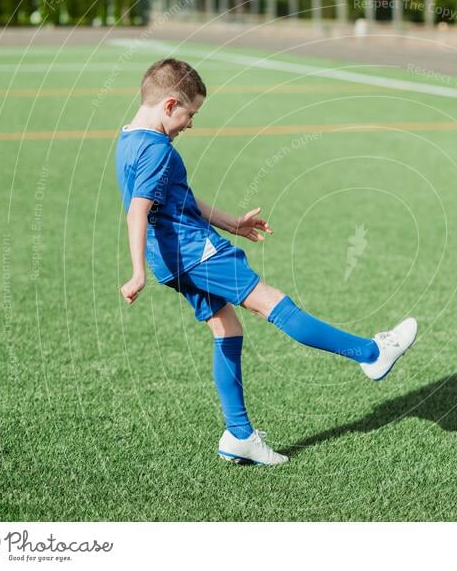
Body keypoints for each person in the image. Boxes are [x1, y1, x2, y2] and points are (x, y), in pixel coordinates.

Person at [115, 59, 417, 466]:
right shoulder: (157, 150)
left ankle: (238, 435)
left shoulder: (130, 139)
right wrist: (135, 273)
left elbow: (176, 197)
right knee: (271, 302)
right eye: (190, 114)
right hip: (194, 251)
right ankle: (371, 355)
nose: (190, 124)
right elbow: (138, 210)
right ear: (170, 105)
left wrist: (231, 222)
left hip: (172, 258)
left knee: (227, 327)